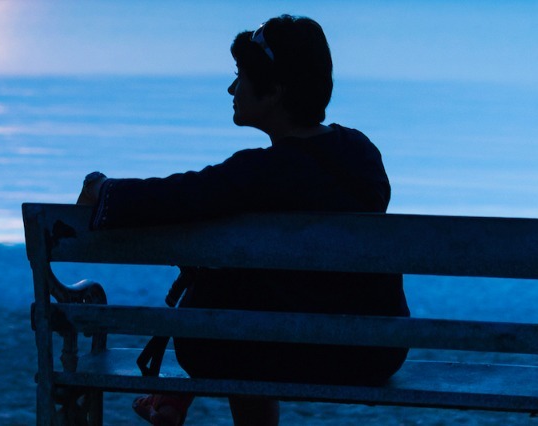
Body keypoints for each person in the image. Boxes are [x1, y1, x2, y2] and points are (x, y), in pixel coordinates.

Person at [76, 15, 409, 426]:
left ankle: (174, 397)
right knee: (250, 284)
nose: (232, 89)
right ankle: (173, 398)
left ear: (274, 90)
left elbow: (167, 198)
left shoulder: (257, 174)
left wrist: (101, 186)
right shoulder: (362, 154)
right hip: (373, 353)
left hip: (266, 348)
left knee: (232, 304)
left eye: (241, 76)